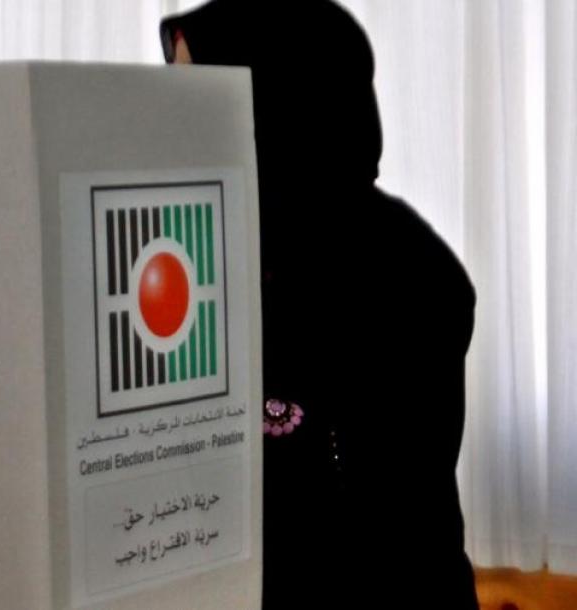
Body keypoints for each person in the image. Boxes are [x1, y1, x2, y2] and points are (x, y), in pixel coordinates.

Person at [160, 2, 480, 608]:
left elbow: (384, 519)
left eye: (197, 97)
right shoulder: (207, 247)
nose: (174, 123)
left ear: (277, 102)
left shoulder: (402, 271)